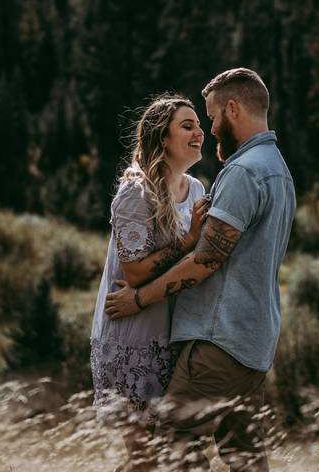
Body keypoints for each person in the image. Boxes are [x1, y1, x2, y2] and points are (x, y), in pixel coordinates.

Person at [105, 68, 296, 472]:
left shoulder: (243, 172)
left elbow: (207, 259)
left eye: (210, 117)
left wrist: (138, 298)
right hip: (254, 342)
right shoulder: (277, 168)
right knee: (244, 458)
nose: (210, 129)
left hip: (218, 341)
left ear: (232, 109)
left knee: (173, 452)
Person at [89, 94, 210, 472]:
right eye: (187, 126)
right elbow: (135, 272)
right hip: (134, 336)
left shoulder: (197, 191)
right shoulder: (135, 192)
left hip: (176, 332)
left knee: (171, 455)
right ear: (162, 138)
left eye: (199, 125)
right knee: (144, 456)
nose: (199, 133)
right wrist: (187, 242)